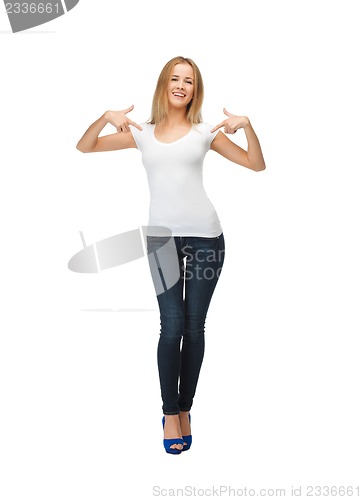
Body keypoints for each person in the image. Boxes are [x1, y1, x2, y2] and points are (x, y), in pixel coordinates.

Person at [76, 56, 266, 454]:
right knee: (172, 326)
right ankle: (168, 413)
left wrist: (248, 127)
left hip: (206, 239)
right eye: (176, 79)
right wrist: (104, 116)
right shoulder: (141, 132)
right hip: (161, 241)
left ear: (196, 90)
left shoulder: (204, 133)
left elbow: (255, 164)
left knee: (194, 327)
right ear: (164, 84)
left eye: (189, 81)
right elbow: (86, 146)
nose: (181, 85)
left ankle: (184, 409)